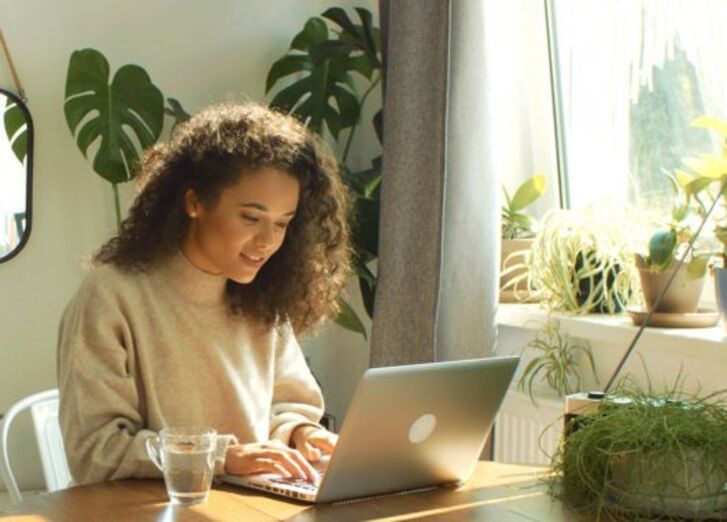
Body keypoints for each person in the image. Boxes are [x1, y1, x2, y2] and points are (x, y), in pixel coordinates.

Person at [57, 101, 352, 485]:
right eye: (251, 217)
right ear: (194, 202)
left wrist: (302, 433)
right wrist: (222, 457)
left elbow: (287, 404)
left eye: (283, 223)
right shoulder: (111, 296)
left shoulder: (262, 297)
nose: (267, 241)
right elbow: (95, 451)